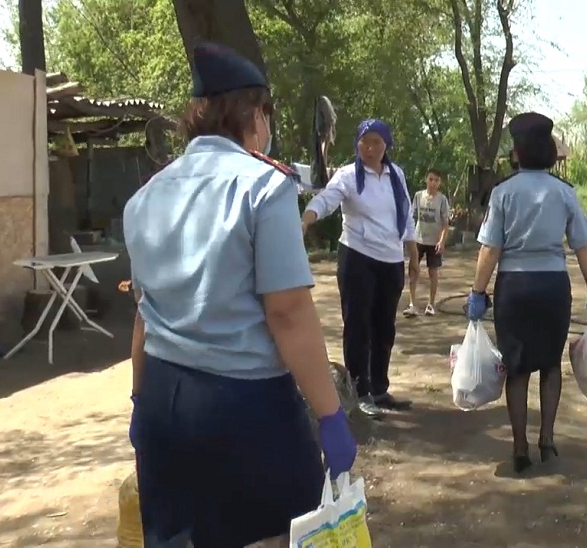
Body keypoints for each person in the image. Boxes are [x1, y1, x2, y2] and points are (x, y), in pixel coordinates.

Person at [123, 42, 357, 547]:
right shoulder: (264, 188)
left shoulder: (145, 197)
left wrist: (140, 400)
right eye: (266, 114)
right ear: (253, 113)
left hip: (164, 400)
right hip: (243, 410)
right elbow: (288, 313)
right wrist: (330, 415)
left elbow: (144, 315)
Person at [466, 112, 587, 475]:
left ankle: (518, 446)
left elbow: (490, 250)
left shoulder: (502, 193)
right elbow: (583, 246)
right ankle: (547, 439)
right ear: (548, 152)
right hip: (552, 288)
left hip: (514, 287)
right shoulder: (565, 193)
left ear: (516, 153)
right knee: (549, 363)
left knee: (516, 368)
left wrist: (477, 292)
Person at [302, 119, 417, 418]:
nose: (370, 148)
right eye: (365, 142)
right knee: (358, 326)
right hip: (358, 257)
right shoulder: (348, 176)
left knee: (384, 327)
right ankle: (360, 391)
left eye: (377, 142)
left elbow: (405, 213)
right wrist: (307, 217)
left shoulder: (396, 175)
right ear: (357, 144)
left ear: (386, 145)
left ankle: (379, 388)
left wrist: (413, 248)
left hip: (391, 259)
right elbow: (327, 199)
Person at [403, 168, 450, 317]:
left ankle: (431, 304)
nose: (433, 183)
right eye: (431, 179)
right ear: (426, 180)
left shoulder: (442, 200)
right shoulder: (418, 196)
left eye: (436, 180)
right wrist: (408, 237)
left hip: (434, 241)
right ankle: (412, 303)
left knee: (433, 272)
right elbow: (412, 218)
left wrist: (442, 241)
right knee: (414, 269)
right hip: (418, 239)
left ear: (439, 183)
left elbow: (445, 223)